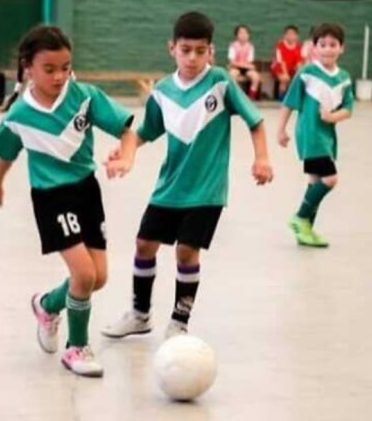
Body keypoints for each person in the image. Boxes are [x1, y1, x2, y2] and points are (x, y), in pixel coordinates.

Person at [102, 11, 273, 341]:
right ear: (172, 48)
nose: (192, 57)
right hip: (169, 187)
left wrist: (262, 158)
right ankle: (140, 314)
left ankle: (179, 321)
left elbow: (256, 121)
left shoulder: (220, 82)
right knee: (144, 244)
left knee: (185, 251)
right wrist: (126, 154)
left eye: (200, 50)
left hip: (207, 190)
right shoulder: (163, 90)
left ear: (211, 51)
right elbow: (145, 132)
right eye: (185, 50)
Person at [0, 25, 139, 378]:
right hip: (51, 197)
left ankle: (46, 305)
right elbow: (8, 152)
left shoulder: (85, 97)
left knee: (97, 277)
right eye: (49, 69)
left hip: (86, 190)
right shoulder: (19, 115)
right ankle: (76, 348)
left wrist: (127, 158)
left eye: (65, 67)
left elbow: (127, 131)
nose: (59, 76)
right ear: (28, 68)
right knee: (82, 273)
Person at [277, 23, 353, 248]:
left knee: (314, 181)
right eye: (323, 44)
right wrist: (281, 129)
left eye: (333, 45)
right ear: (314, 48)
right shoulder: (307, 73)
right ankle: (300, 218)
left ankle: (306, 231)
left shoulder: (344, 78)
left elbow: (348, 108)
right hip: (310, 135)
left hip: (327, 136)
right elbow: (289, 102)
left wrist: (333, 117)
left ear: (342, 48)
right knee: (330, 179)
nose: (328, 49)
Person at [227, 24, 260, 100]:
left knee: (255, 77)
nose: (243, 35)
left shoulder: (250, 47)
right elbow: (232, 62)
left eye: (245, 33)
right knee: (232, 75)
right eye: (241, 33)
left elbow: (250, 61)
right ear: (237, 35)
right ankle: (234, 96)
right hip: (235, 67)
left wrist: (247, 66)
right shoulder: (233, 46)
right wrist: (243, 65)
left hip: (246, 68)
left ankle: (251, 97)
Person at [270, 25, 303, 100]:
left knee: (301, 78)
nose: (290, 36)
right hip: (278, 68)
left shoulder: (299, 47)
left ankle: (296, 98)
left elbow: (299, 63)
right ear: (284, 36)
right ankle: (281, 98)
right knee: (285, 78)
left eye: (293, 34)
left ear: (296, 36)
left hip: (291, 69)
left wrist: (300, 73)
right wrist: (285, 73)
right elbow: (281, 62)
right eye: (288, 34)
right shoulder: (280, 46)